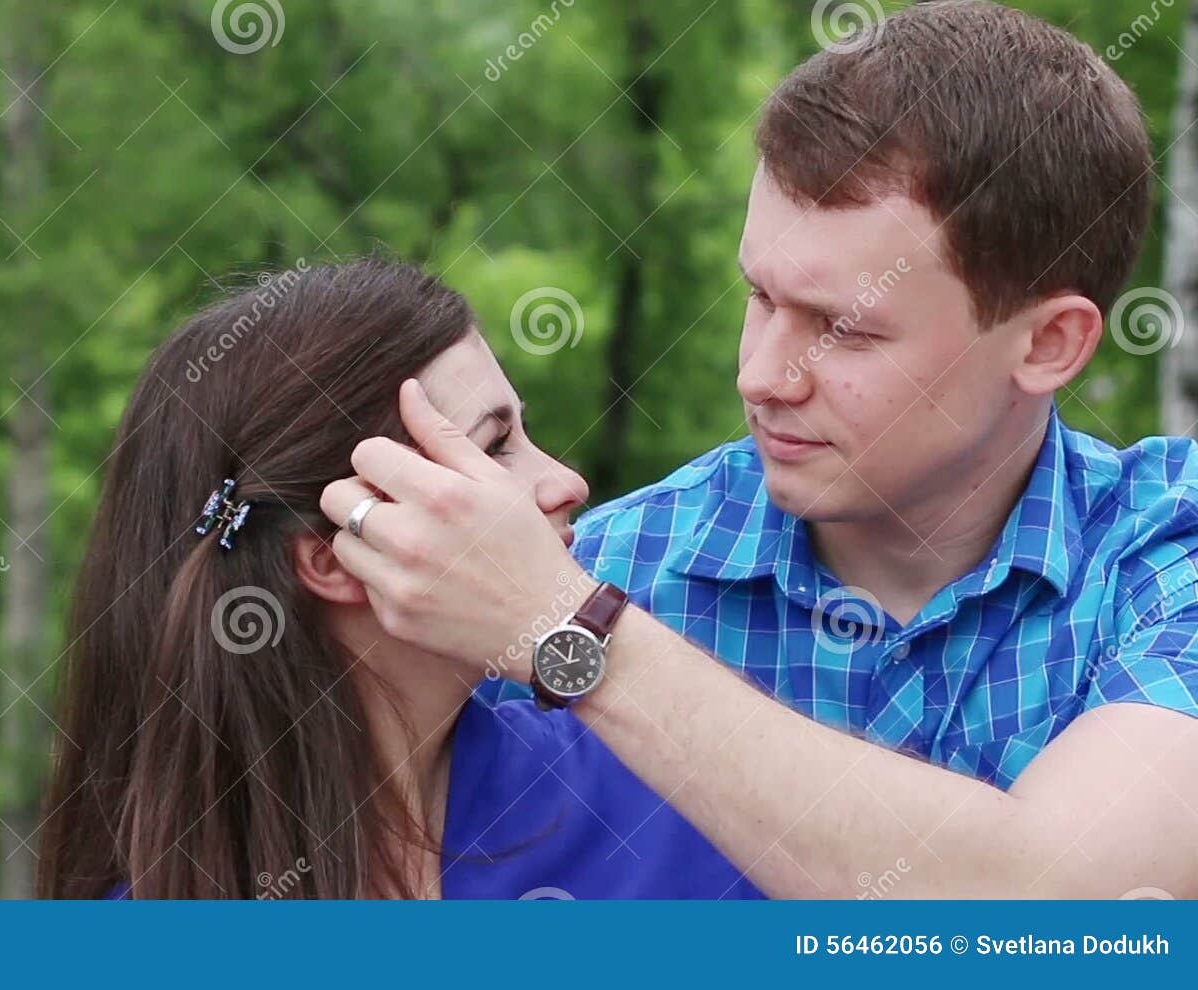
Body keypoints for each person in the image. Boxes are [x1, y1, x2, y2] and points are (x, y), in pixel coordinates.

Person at [321, 0, 1198, 898]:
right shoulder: (596, 564)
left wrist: (573, 638)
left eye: (844, 329)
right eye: (760, 297)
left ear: (1049, 343)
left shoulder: (1167, 558)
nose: (764, 374)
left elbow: (1068, 915)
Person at [37, 257, 763, 899]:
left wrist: (574, 629)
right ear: (332, 556)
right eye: (496, 444)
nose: (566, 481)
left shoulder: (646, 789)